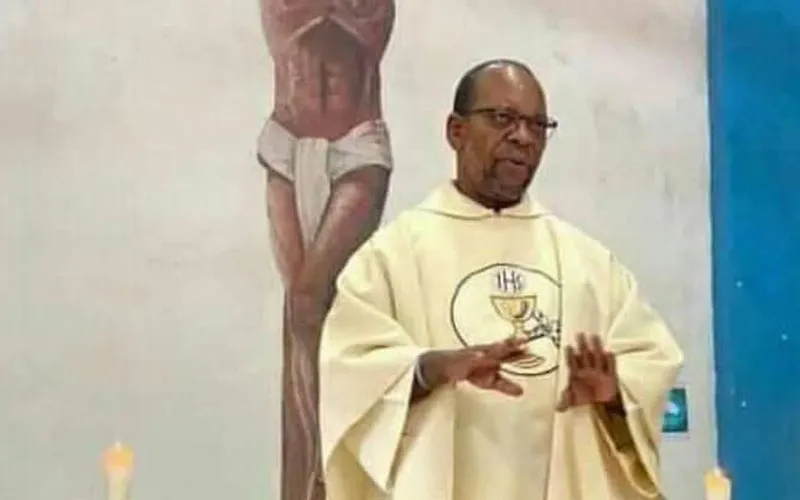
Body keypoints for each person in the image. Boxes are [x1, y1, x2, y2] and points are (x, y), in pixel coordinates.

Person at [317, 59, 684, 500]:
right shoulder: (391, 257)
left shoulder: (589, 264)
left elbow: (650, 359)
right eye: (503, 118)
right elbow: (349, 370)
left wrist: (614, 395)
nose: (523, 137)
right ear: (456, 131)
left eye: (537, 125)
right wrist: (433, 368)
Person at [256, 1, 396, 499]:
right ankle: (305, 480)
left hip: (355, 149)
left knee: (313, 302)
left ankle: (330, 468)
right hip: (286, 143)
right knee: (298, 316)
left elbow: (357, 23)